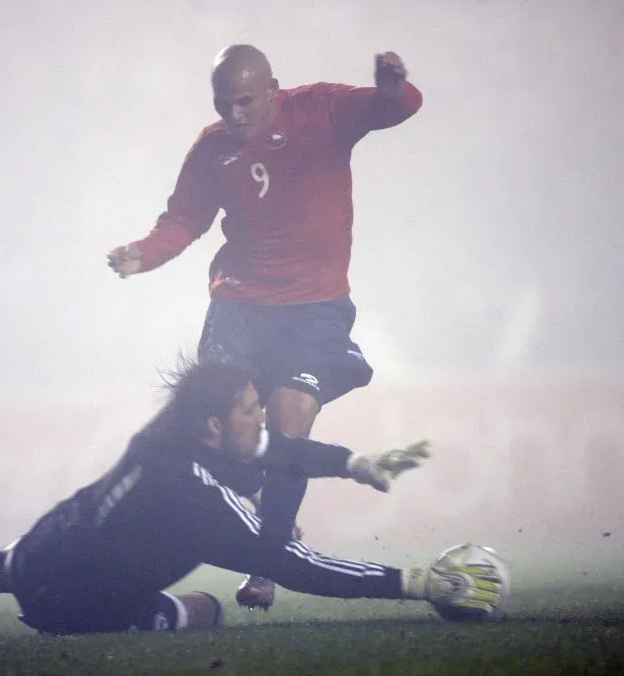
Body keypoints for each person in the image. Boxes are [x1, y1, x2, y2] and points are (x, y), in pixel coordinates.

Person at [0, 358, 502, 640]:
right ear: (215, 426)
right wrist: (416, 582)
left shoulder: (163, 438)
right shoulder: (197, 501)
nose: (261, 416)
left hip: (44, 552)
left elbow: (277, 451)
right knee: (209, 610)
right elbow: (296, 566)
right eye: (251, 408)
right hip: (83, 611)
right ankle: (154, 614)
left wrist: (350, 462)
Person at [106, 44, 423, 609]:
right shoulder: (212, 148)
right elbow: (183, 219)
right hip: (240, 306)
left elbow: (391, 109)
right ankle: (257, 507)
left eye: (245, 102)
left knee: (290, 416)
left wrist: (392, 90)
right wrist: (144, 253)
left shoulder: (321, 109)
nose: (234, 114)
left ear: (273, 89)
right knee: (221, 433)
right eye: (223, 103)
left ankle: (267, 560)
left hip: (313, 308)